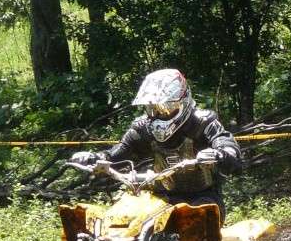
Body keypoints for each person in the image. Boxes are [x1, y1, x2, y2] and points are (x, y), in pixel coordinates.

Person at [70, 68, 241, 222]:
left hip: (202, 197)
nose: (159, 113)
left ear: (183, 101)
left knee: (199, 232)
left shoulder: (203, 122)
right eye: (153, 108)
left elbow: (226, 144)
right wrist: (97, 158)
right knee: (124, 222)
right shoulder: (143, 128)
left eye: (166, 107)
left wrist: (220, 154)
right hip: (159, 197)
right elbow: (119, 153)